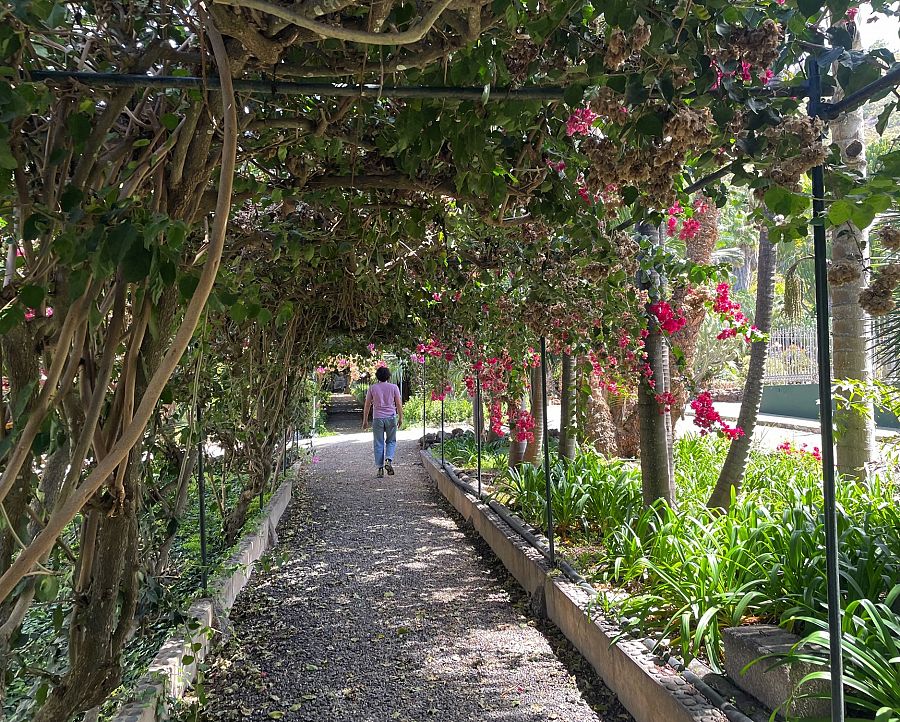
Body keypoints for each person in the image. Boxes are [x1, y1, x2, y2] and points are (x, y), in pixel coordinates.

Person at [361, 366, 403, 477]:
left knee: (378, 443)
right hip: (390, 417)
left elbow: (367, 405)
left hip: (377, 419)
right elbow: (398, 403)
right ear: (388, 376)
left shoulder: (372, 388)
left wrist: (365, 420)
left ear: (377, 376)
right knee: (391, 441)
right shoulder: (394, 387)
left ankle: (380, 469)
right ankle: (388, 459)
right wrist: (401, 417)